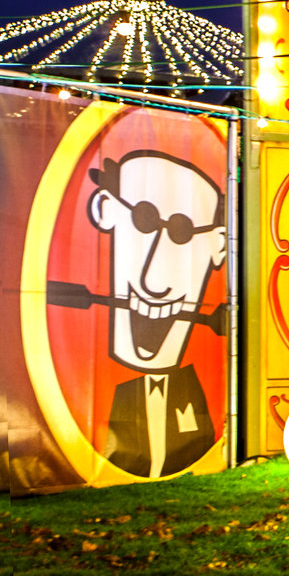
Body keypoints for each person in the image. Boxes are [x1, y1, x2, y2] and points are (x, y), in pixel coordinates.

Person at [74, 152, 226, 477]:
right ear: (105, 211)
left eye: (183, 234)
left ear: (218, 247)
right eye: (143, 221)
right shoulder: (97, 391)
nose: (153, 283)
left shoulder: (194, 395)